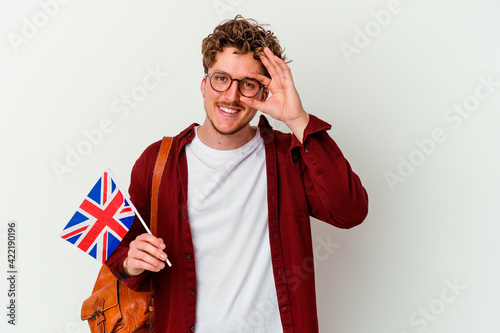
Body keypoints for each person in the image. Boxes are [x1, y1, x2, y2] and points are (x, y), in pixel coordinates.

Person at [107, 15, 368, 333]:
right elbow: (123, 249)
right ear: (204, 84)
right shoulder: (157, 162)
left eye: (247, 84)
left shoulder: (289, 157)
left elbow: (349, 210)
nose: (231, 96)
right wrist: (131, 261)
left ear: (262, 93)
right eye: (221, 79)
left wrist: (298, 119)